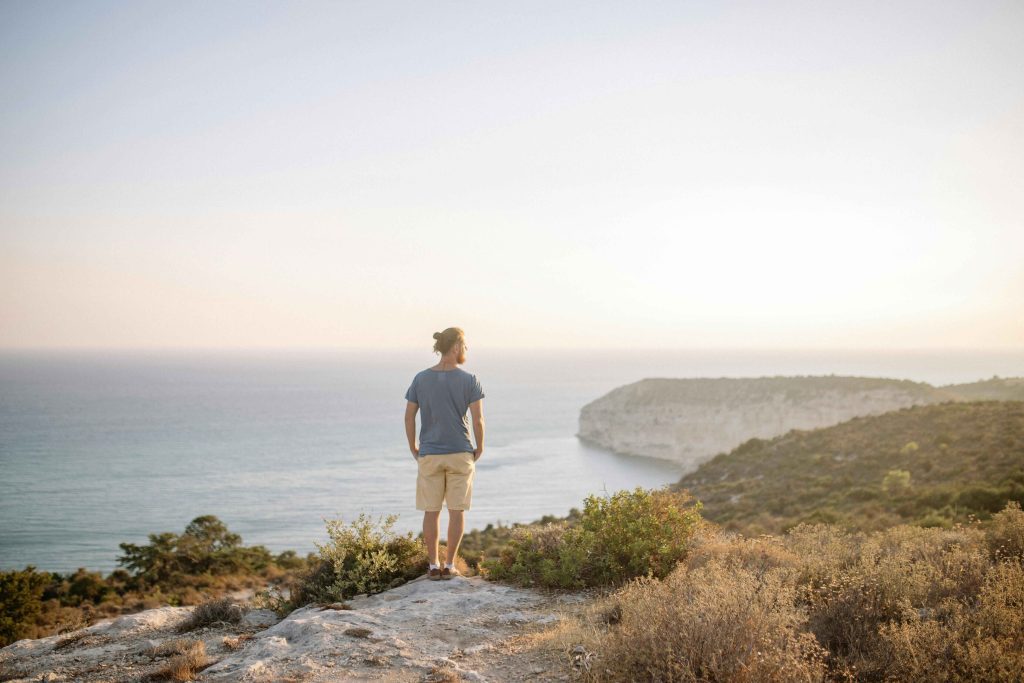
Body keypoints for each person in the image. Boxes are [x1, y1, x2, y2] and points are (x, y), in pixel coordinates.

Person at [404, 327, 485, 581]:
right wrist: (479, 447)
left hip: (429, 453)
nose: (466, 350)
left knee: (431, 510)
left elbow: (409, 416)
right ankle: (450, 565)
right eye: (465, 346)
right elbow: (478, 419)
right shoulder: (469, 379)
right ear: (457, 347)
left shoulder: (420, 378)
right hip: (461, 452)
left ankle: (432, 565)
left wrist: (413, 447)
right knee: (457, 510)